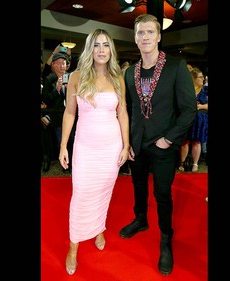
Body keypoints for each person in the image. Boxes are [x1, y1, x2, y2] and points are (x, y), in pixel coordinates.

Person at [120, 14, 197, 276]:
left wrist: (169, 138)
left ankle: (166, 238)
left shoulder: (176, 66)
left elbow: (188, 110)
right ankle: (140, 219)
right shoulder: (130, 72)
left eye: (150, 32)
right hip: (137, 143)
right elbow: (129, 109)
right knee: (138, 184)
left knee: (162, 194)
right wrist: (127, 141)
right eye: (140, 33)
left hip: (164, 144)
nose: (145, 37)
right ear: (135, 37)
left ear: (159, 36)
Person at [59, 28, 130, 275]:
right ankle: (73, 247)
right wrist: (62, 147)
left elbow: (122, 113)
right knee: (80, 196)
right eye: (97, 45)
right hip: (86, 148)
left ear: (111, 50)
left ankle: (98, 228)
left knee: (103, 192)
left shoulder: (118, 78)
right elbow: (70, 113)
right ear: (90, 49)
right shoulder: (77, 76)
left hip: (110, 148)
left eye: (106, 45)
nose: (101, 50)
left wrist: (126, 144)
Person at [178, 67, 208, 172]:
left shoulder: (205, 90)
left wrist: (200, 107)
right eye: (200, 77)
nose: (203, 79)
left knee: (197, 142)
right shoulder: (186, 89)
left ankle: (195, 164)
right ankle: (182, 162)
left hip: (200, 119)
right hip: (187, 117)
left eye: (203, 77)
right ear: (194, 79)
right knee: (185, 141)